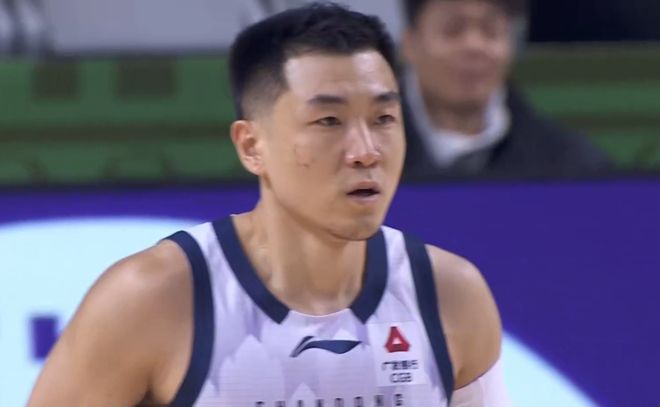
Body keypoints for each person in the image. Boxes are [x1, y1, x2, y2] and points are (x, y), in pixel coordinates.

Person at [28, 3, 509, 406]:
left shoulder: (451, 296)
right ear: (251, 146)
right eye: (328, 121)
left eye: (383, 118)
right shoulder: (150, 300)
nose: (366, 151)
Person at [400, 0, 611, 179]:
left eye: (490, 31)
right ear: (410, 44)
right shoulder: (379, 151)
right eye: (453, 30)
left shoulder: (570, 165)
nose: (474, 46)